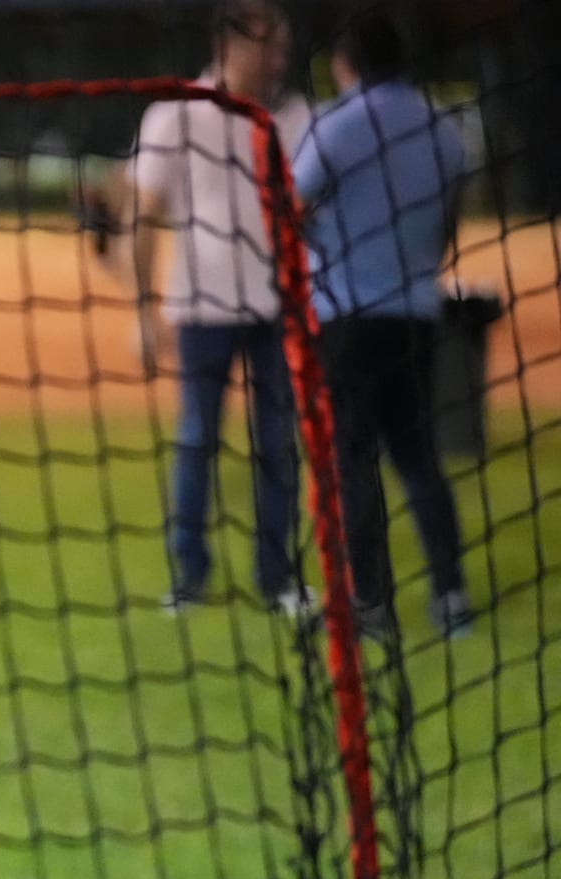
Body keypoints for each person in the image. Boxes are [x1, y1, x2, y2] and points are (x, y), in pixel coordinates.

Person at [126, 0, 314, 616]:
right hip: (202, 306)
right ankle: (190, 576)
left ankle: (277, 577)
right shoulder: (176, 114)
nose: (280, 56)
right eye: (268, 43)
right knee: (197, 440)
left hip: (278, 307)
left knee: (277, 445)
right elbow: (144, 214)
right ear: (228, 44)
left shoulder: (297, 116)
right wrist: (142, 311)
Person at [292, 8, 474, 640]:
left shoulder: (336, 125)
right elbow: (448, 222)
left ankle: (369, 601)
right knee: (418, 458)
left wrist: (322, 238)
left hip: (345, 317)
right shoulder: (441, 128)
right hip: (415, 314)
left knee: (352, 459)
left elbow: (289, 203)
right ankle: (451, 594)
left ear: (345, 64)